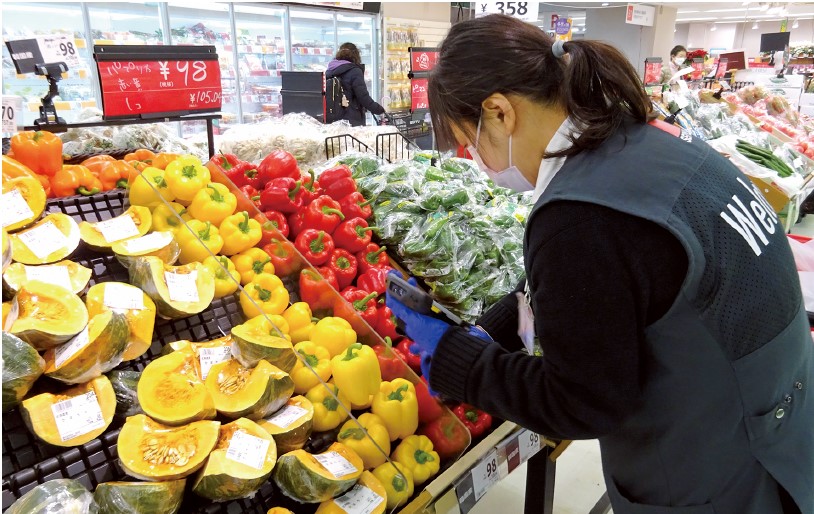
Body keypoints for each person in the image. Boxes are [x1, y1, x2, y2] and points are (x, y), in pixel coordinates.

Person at [385, 14, 813, 514]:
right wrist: (494, 330)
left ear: (499, 112)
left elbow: (584, 402)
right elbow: (616, 280)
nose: (473, 156)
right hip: (778, 419)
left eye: (469, 139)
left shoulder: (577, 219)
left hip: (714, 470)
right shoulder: (645, 139)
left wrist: (466, 364)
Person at [325, 42, 385, 126]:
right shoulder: (355, 71)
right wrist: (379, 109)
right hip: (351, 119)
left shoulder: (330, 70)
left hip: (334, 118)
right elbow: (363, 96)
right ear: (356, 55)